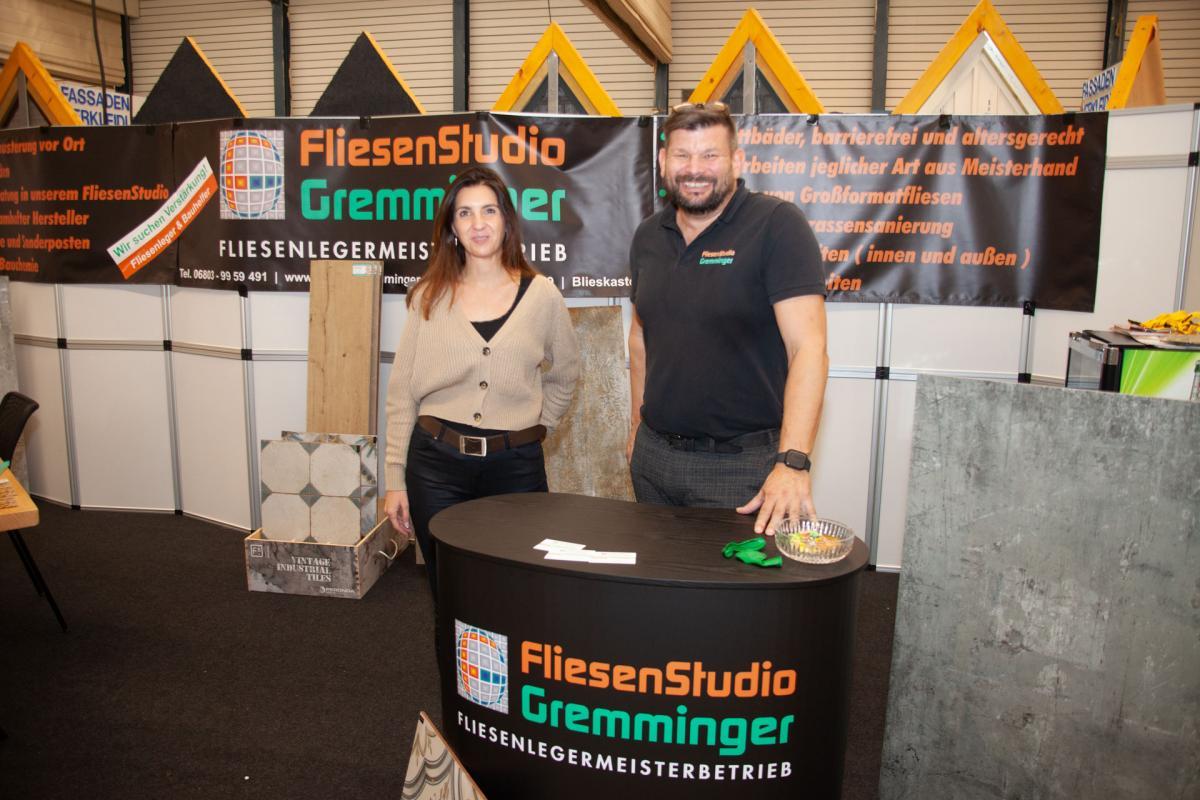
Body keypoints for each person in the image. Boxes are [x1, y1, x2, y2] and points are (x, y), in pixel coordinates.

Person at [627, 102, 828, 535]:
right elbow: (640, 336)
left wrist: (793, 462)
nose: (694, 169)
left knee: (734, 582)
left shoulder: (777, 226)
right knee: (656, 575)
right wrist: (635, 427)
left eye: (710, 155)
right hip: (653, 460)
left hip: (741, 469)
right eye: (682, 155)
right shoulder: (647, 237)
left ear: (737, 160)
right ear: (663, 162)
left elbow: (808, 349)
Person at [384, 166, 580, 593]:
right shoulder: (429, 296)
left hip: (516, 470)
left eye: (489, 210)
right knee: (450, 589)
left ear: (506, 220)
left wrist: (534, 427)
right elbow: (402, 393)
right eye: (465, 213)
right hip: (436, 468)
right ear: (452, 228)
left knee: (517, 588)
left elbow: (566, 374)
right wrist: (395, 479)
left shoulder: (541, 295)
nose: (478, 223)